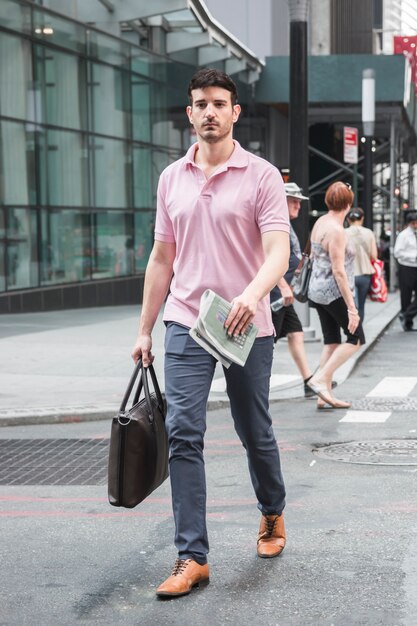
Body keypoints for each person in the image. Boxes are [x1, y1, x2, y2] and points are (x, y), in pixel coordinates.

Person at [131, 68, 290, 598]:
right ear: (190, 112)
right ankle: (192, 556)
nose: (210, 112)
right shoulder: (170, 178)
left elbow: (278, 253)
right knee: (183, 432)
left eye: (219, 103)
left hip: (247, 321)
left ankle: (271, 512)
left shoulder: (262, 175)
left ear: (235, 112)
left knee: (254, 430)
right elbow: (161, 258)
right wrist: (145, 329)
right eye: (200, 104)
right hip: (186, 320)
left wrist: (251, 294)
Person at [306, 182, 365, 409]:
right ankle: (321, 379)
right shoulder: (337, 231)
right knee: (356, 338)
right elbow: (339, 271)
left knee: (331, 341)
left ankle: (324, 396)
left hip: (317, 289)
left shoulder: (320, 222)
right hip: (333, 292)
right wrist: (352, 308)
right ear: (348, 204)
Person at [270, 182, 314, 396]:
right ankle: (253, 382)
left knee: (296, 334)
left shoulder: (286, 224)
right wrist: (283, 286)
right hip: (275, 294)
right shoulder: (277, 225)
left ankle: (309, 381)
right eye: (294, 201)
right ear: (281, 201)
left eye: (299, 201)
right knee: (265, 341)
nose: (298, 205)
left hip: (283, 294)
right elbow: (267, 259)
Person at [345, 206, 378, 322]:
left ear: (348, 219)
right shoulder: (369, 233)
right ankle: (358, 333)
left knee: (351, 306)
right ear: (362, 218)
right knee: (361, 306)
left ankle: (352, 332)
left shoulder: (344, 233)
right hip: (365, 274)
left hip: (348, 274)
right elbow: (374, 256)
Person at [394, 211, 417, 331]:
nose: (416, 225)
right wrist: (413, 257)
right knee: (406, 296)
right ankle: (408, 323)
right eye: (414, 223)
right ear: (409, 223)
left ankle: (406, 315)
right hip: (407, 267)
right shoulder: (403, 235)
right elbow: (397, 252)